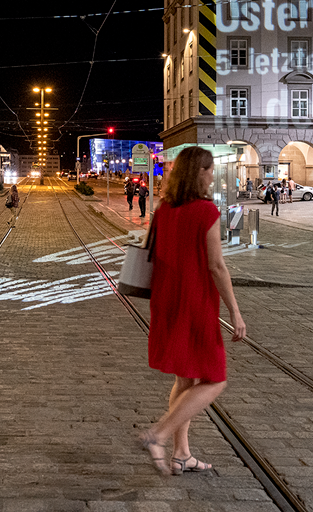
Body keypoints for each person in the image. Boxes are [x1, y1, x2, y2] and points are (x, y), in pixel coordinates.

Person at [139, 145, 245, 476]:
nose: (213, 174)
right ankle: (158, 433)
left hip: (166, 300)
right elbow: (216, 265)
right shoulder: (205, 211)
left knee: (185, 379)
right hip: (195, 301)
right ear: (199, 172)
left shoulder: (165, 207)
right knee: (215, 380)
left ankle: (182, 454)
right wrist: (235, 312)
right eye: (210, 169)